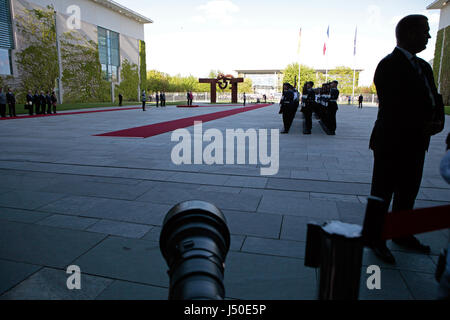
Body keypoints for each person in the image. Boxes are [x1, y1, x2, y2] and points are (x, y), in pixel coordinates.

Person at [365, 15, 445, 264]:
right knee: (382, 192)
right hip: (392, 141)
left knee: (408, 191)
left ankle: (401, 232)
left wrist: (438, 121)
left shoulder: (423, 66)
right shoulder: (389, 64)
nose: (429, 37)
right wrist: (422, 123)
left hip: (416, 142)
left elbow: (434, 96)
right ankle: (375, 238)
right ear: (410, 33)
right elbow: (395, 105)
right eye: (425, 32)